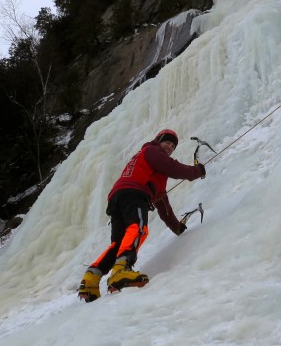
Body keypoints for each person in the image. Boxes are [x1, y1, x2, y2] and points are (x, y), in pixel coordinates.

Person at [78, 129, 206, 302]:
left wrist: (176, 227)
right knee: (138, 229)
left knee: (119, 243)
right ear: (158, 140)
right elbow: (173, 168)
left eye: (173, 145)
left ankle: (91, 279)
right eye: (167, 142)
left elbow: (163, 204)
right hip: (133, 193)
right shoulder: (152, 150)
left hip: (118, 196)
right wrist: (196, 171)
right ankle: (121, 270)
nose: (170, 146)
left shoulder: (154, 172)